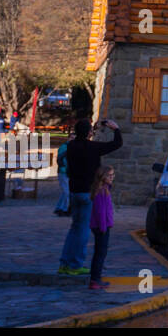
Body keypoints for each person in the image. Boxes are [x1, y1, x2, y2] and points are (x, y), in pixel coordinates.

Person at [58, 118, 121, 276]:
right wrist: (115, 129)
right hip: (87, 192)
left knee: (74, 228)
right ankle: (76, 265)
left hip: (74, 191)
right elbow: (116, 144)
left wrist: (93, 129)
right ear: (88, 133)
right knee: (83, 230)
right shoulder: (93, 147)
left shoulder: (71, 147)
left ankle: (65, 263)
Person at [88, 166, 115, 291]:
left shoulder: (105, 189)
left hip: (103, 226)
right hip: (101, 227)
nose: (112, 177)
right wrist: (104, 227)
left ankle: (96, 278)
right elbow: (100, 212)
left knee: (100, 253)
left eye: (112, 175)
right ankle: (95, 279)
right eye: (109, 175)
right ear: (103, 177)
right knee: (100, 253)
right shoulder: (101, 191)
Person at [53, 135, 70, 217]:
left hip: (68, 172)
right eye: (72, 138)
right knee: (67, 192)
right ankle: (65, 209)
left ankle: (59, 208)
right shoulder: (65, 147)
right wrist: (63, 169)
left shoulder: (72, 147)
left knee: (65, 192)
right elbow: (60, 159)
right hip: (63, 172)